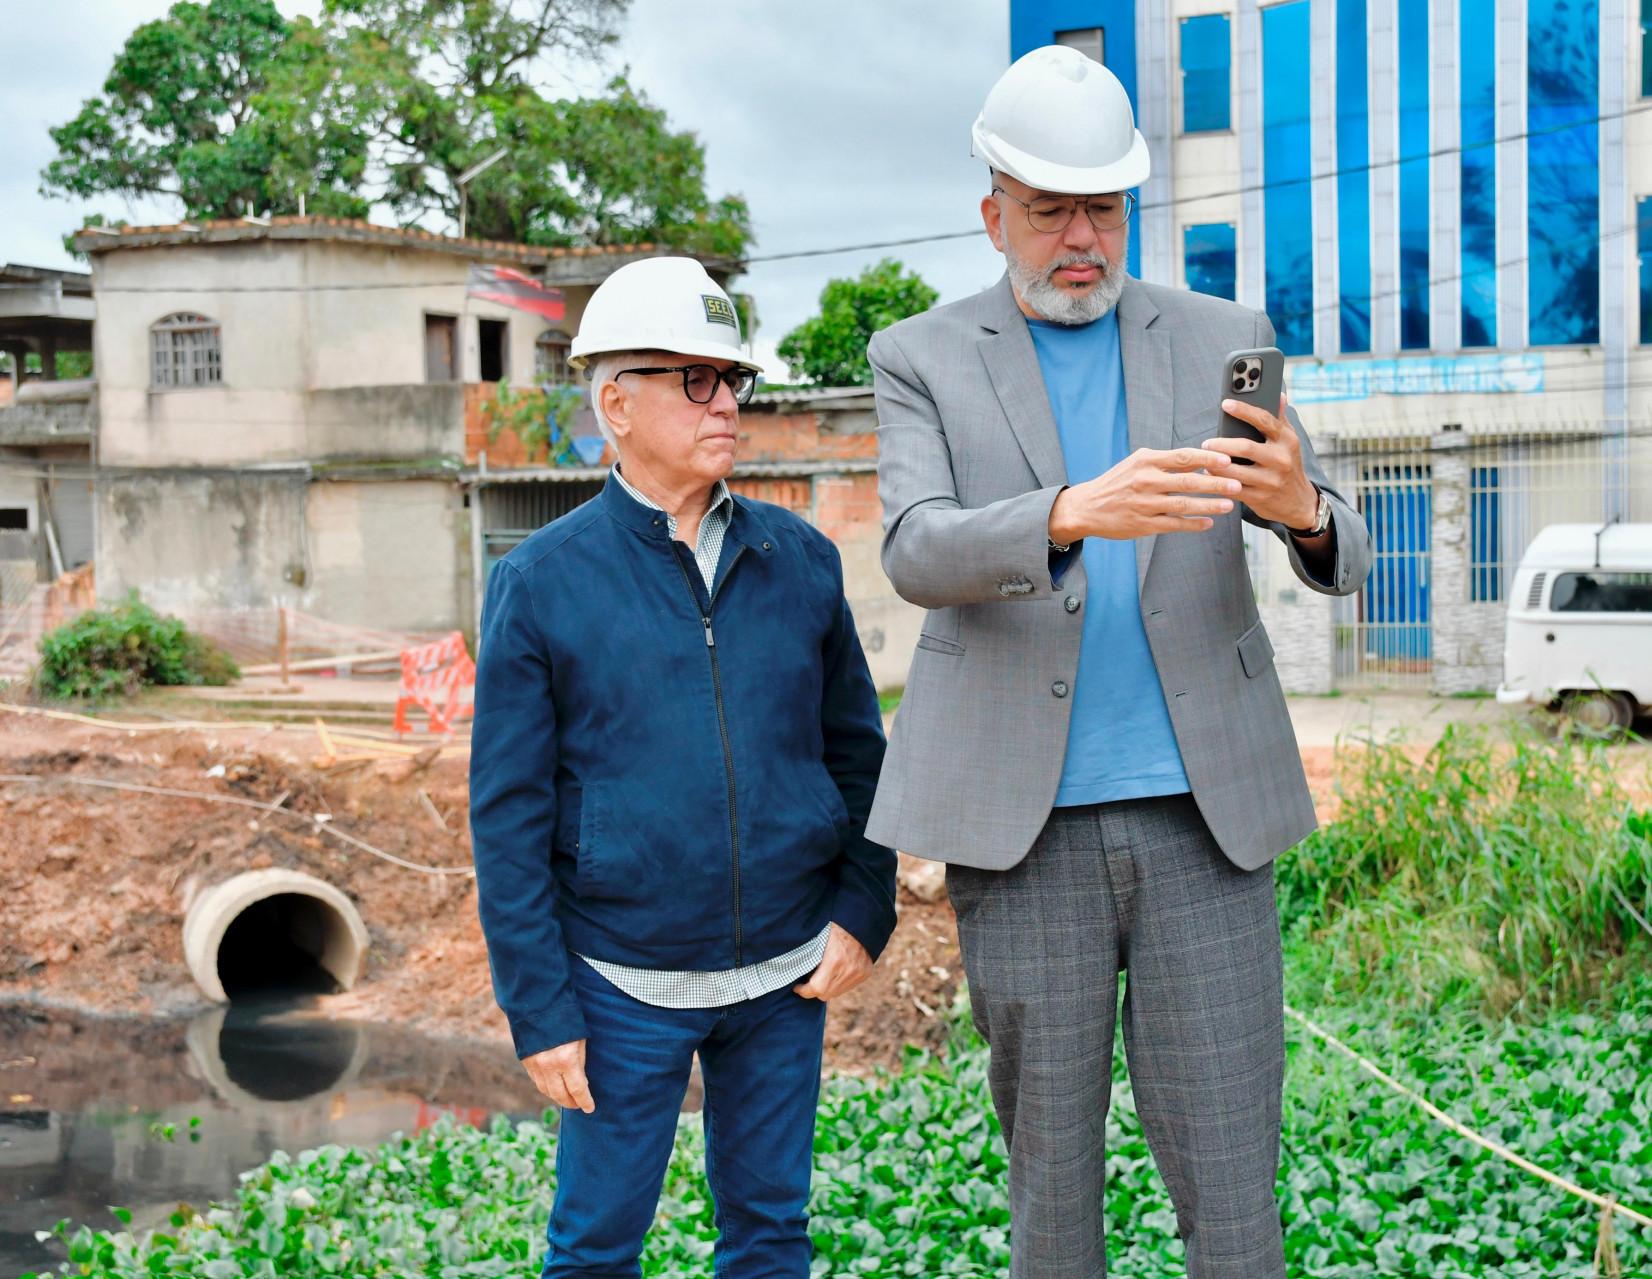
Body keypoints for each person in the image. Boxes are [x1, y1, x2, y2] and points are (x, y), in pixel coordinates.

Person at [864, 46, 1373, 1279]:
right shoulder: (919, 354)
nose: (1081, 237)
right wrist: (1067, 510)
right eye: (1050, 211)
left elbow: (1338, 552)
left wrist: (1303, 505)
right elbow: (914, 549)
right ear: (995, 214)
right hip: (1021, 831)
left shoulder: (1223, 339)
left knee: (1235, 1177)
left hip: (1208, 821)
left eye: (1104, 207)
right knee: (1053, 1185)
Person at [469, 256, 897, 1279]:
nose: (724, 405)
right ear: (616, 403)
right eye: (692, 380)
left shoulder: (798, 559)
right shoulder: (540, 583)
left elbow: (858, 753)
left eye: (732, 380)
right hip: (621, 983)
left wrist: (862, 907)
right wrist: (542, 1009)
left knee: (769, 1235)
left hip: (784, 978)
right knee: (596, 1248)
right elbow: (508, 816)